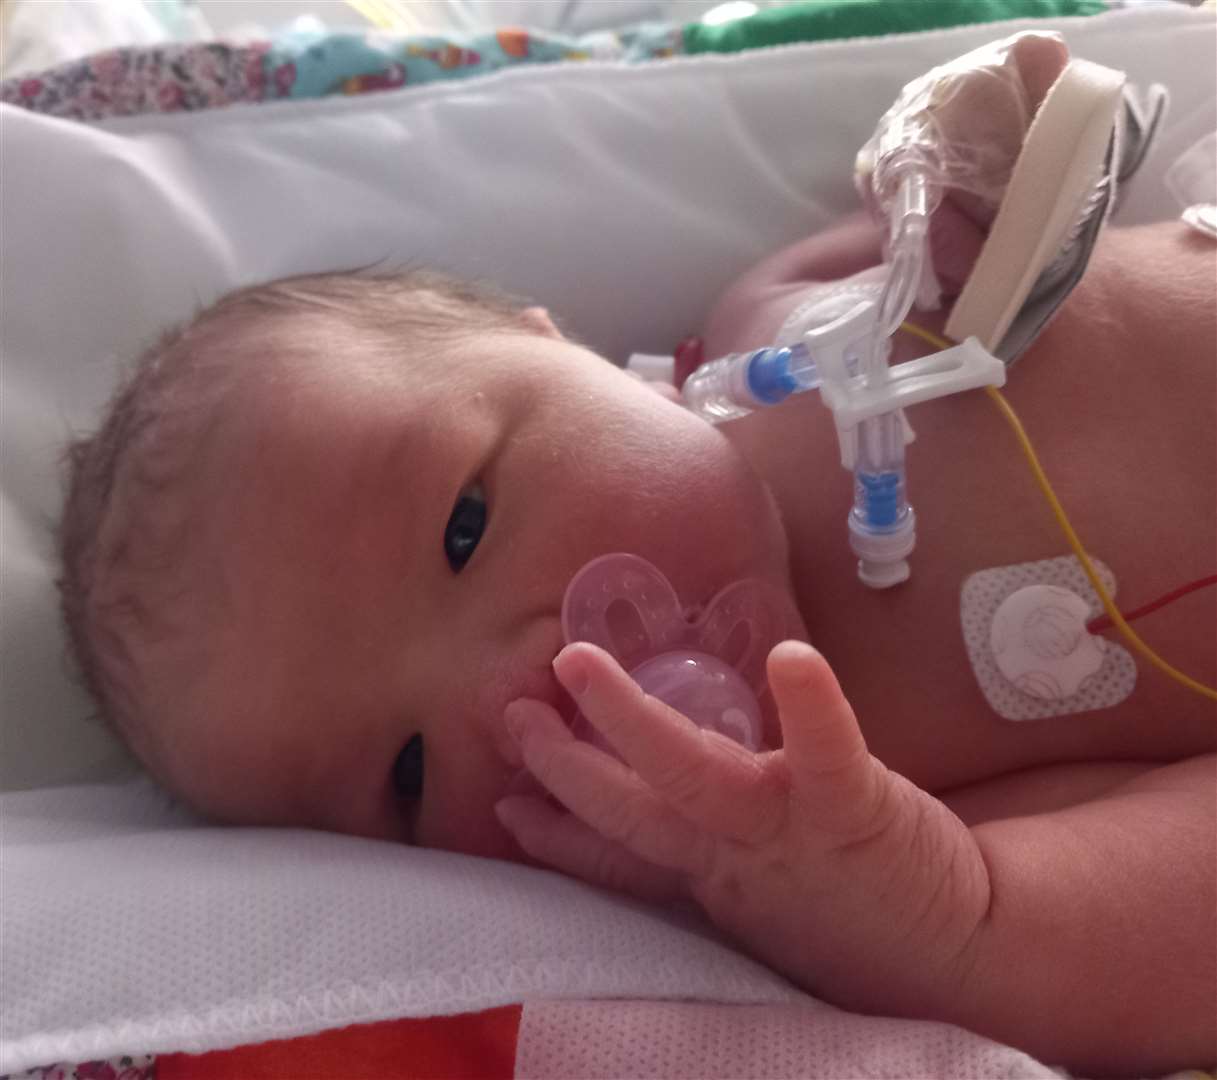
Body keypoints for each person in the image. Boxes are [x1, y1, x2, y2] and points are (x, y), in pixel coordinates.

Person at [57, 50, 1213, 1080]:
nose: (523, 682)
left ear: (549, 345)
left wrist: (968, 157)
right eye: (408, 776)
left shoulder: (770, 326)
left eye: (465, 528)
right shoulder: (877, 794)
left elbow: (981, 171)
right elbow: (1172, 907)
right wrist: (956, 913)